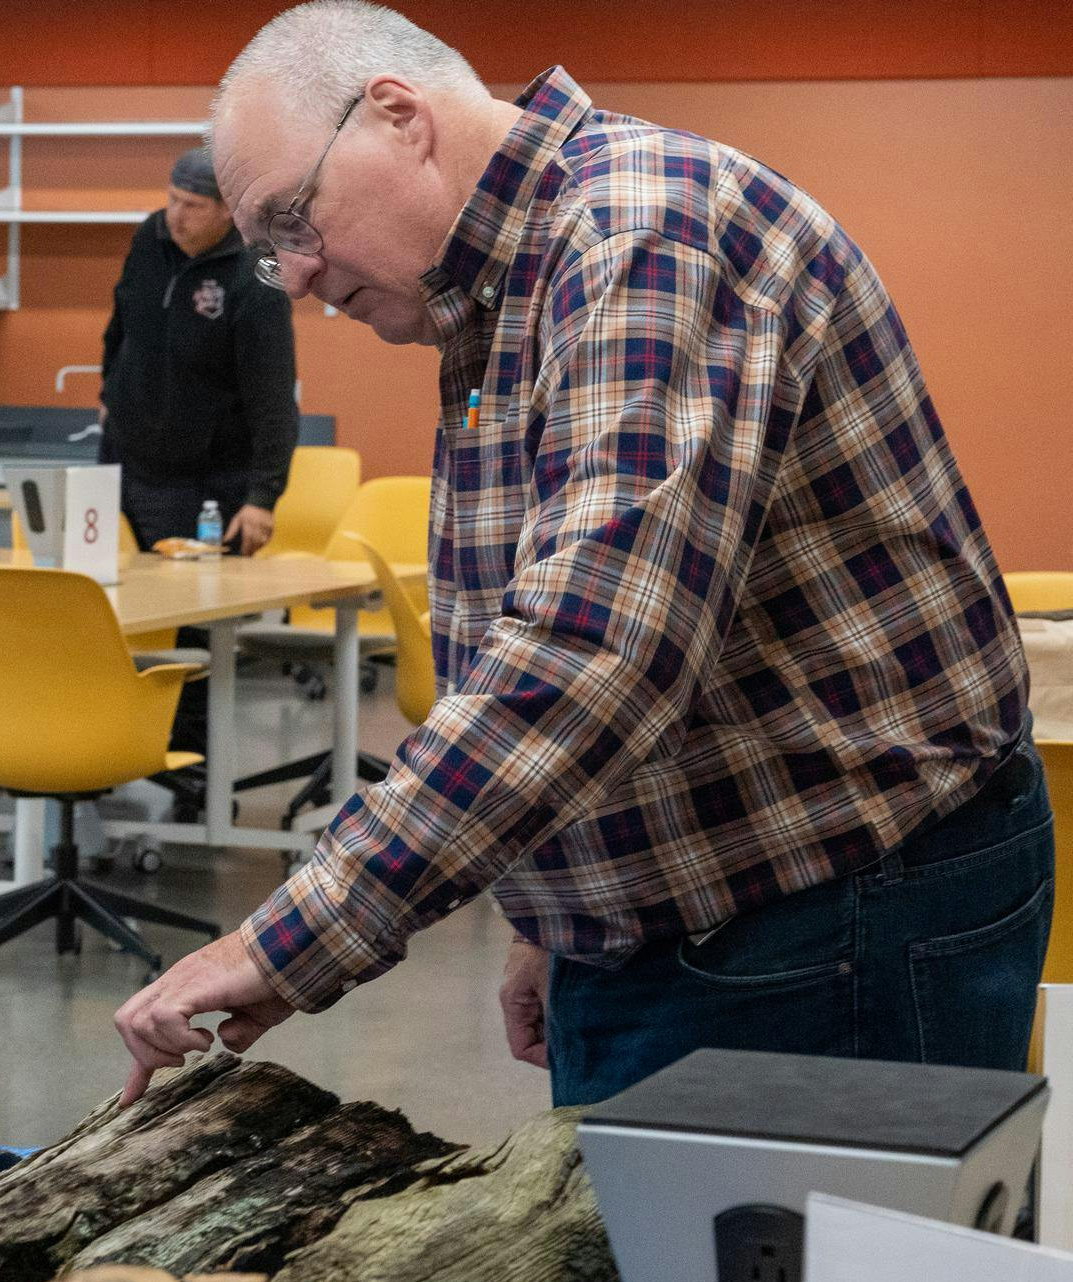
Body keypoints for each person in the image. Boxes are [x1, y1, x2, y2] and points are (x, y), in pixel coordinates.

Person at [115, 1, 1046, 1109]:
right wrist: (556, 913)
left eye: (292, 220)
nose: (297, 278)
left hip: (826, 915)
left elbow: (593, 653)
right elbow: (548, 616)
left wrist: (294, 932)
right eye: (269, 252)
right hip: (700, 908)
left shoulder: (638, 234)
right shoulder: (498, 289)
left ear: (397, 116)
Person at [100, 147, 297, 754]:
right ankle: (107, 746)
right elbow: (121, 327)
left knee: (193, 640)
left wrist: (263, 496)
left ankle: (190, 774)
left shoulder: (258, 270)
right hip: (127, 466)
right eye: (172, 200)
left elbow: (274, 394)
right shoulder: (149, 237)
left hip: (210, 483)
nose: (175, 216)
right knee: (109, 615)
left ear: (229, 212)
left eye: (193, 206)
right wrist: (110, 391)